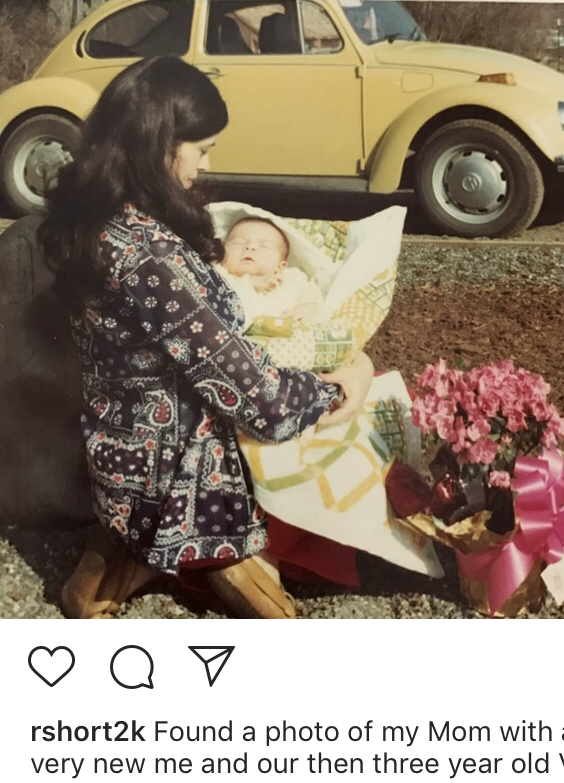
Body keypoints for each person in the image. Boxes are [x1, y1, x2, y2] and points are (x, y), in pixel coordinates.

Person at [39, 55, 373, 620]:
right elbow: (248, 390)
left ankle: (118, 561)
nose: (205, 164)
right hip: (174, 468)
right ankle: (160, 561)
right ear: (158, 142)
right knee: (269, 596)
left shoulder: (109, 218)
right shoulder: (146, 251)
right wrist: (340, 390)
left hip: (122, 447)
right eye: (201, 149)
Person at [217, 216, 324, 327]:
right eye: (238, 242)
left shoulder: (291, 278)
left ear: (280, 266)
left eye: (264, 246)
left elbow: (312, 292)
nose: (250, 247)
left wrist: (310, 307)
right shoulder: (218, 273)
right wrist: (248, 283)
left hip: (285, 336)